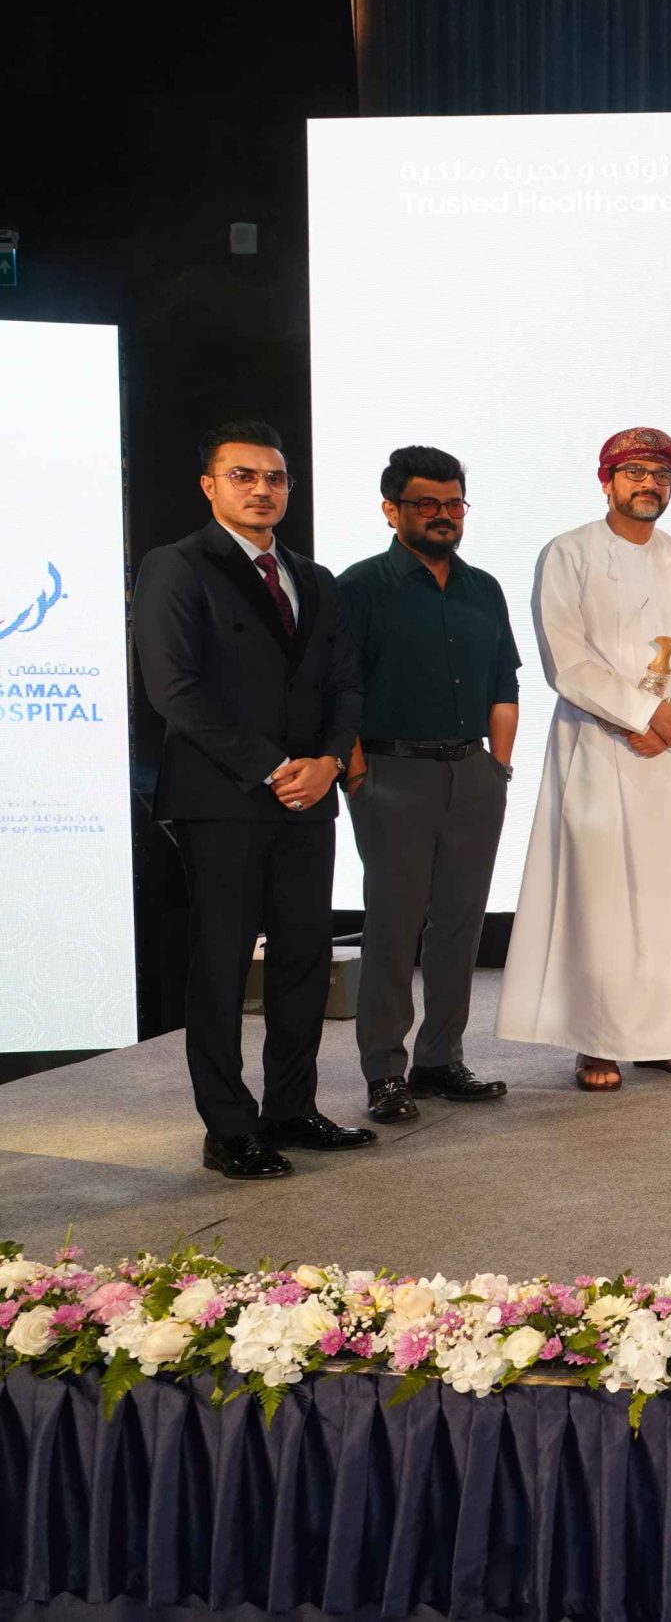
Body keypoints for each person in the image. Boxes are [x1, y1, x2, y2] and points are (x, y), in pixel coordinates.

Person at [132, 419, 370, 1178]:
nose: (262, 489)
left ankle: (291, 1109)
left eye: (275, 477)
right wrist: (273, 767)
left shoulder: (315, 577)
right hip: (225, 796)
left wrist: (328, 761)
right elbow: (175, 690)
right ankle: (228, 1128)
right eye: (243, 476)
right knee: (222, 964)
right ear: (210, 485)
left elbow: (345, 683)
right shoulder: (176, 565)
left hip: (310, 796)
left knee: (303, 958)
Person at [496, 427, 671, 1091]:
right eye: (634, 473)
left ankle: (664, 1034)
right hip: (597, 745)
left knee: (668, 893)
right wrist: (643, 713)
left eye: (661, 475)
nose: (648, 485)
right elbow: (565, 659)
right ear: (607, 482)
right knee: (598, 895)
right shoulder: (567, 553)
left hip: (668, 754)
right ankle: (597, 1040)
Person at [337, 445, 517, 1124]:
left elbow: (503, 684)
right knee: (393, 924)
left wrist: (497, 767)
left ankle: (441, 1059)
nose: (444, 515)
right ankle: (385, 1071)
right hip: (391, 774)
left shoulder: (484, 589)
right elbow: (339, 691)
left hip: (473, 773)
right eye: (426, 504)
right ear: (392, 510)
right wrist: (357, 774)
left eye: (453, 503)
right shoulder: (359, 587)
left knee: (460, 924)